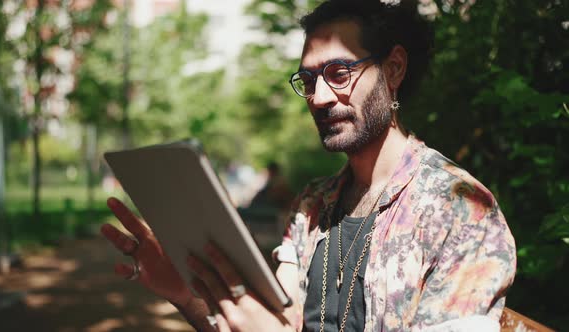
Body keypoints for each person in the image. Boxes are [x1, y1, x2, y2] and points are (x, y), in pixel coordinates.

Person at [100, 1, 516, 331]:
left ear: (393, 69)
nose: (318, 97)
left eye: (338, 73)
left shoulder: (461, 210)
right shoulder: (312, 205)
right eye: (309, 80)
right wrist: (184, 291)